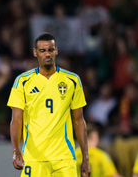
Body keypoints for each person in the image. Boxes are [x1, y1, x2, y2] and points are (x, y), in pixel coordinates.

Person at [7, 32, 90, 177]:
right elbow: (16, 120)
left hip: (64, 158)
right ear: (35, 53)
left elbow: (78, 120)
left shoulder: (72, 80)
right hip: (34, 158)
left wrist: (85, 157)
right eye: (42, 50)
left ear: (56, 51)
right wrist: (16, 151)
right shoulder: (22, 82)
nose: (47, 54)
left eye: (50, 50)